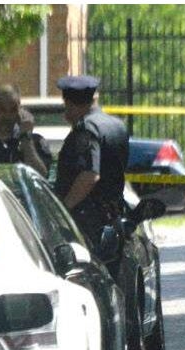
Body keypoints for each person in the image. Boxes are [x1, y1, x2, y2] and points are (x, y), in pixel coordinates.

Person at [53, 75, 130, 243]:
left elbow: (89, 175)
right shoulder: (116, 124)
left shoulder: (86, 129)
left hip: (88, 221)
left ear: (70, 104)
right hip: (113, 217)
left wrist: (63, 210)